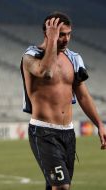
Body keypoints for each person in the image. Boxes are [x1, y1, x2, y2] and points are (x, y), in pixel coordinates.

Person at [20, 12, 106, 190]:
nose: (66, 39)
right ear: (48, 33)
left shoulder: (74, 58)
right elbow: (46, 72)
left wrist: (100, 124)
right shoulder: (30, 56)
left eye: (68, 34)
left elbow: (82, 94)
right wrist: (52, 41)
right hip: (43, 132)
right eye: (61, 34)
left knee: (56, 186)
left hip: (68, 133)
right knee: (62, 187)